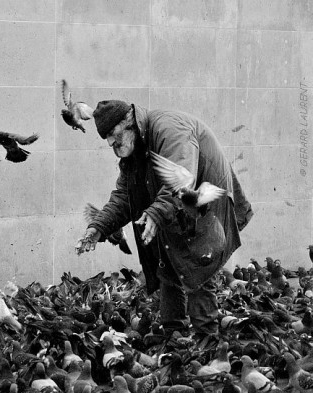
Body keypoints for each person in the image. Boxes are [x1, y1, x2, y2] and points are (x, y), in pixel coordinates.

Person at [75, 100, 253, 340]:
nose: (111, 143)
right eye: (106, 138)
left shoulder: (169, 129)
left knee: (197, 264)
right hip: (176, 208)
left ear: (129, 123)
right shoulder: (135, 149)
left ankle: (207, 338)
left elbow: (182, 179)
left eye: (113, 135)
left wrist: (156, 212)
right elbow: (124, 197)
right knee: (167, 263)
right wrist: (98, 228)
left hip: (205, 205)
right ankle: (174, 334)